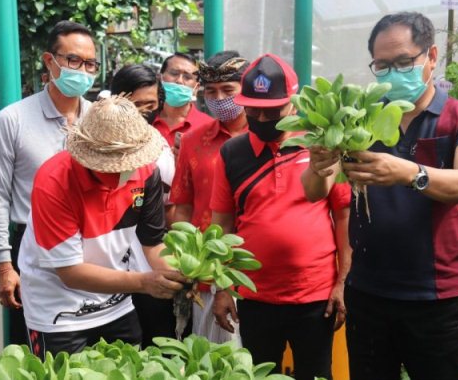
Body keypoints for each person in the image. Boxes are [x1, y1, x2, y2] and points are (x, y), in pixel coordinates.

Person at [302, 12, 458, 380]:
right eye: (382, 65)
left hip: (435, 296)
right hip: (369, 291)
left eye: (404, 62)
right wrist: (318, 164)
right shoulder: (360, 121)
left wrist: (410, 174)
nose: (393, 73)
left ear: (432, 57)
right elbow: (314, 192)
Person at [210, 53, 352, 380]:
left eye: (271, 110)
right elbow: (221, 227)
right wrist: (222, 288)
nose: (261, 117)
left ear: (293, 104)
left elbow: (344, 217)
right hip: (255, 296)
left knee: (316, 374)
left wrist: (342, 283)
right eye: (252, 109)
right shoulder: (232, 153)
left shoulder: (320, 146)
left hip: (316, 296)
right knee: (262, 374)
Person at [18, 96, 187, 357]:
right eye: (111, 164)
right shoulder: (55, 181)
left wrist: (178, 277)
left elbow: (152, 243)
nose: (123, 170)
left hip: (117, 303)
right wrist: (143, 283)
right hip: (58, 311)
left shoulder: (147, 172)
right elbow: (70, 272)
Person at [0, 20, 97, 345]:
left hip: (92, 247)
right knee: (40, 346)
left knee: (96, 344)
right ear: (50, 60)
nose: (83, 70)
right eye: (73, 60)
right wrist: (4, 266)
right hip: (34, 249)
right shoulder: (13, 120)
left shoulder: (99, 119)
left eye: (90, 63)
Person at [170, 50, 249, 343]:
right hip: (209, 271)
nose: (219, 99)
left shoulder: (267, 136)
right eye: (211, 92)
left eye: (228, 90)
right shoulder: (192, 140)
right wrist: (183, 259)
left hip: (261, 266)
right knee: (216, 360)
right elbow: (183, 206)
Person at [107, 64, 180, 346]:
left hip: (149, 264)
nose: (144, 112)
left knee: (156, 344)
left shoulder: (159, 146)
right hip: (107, 270)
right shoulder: (96, 146)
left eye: (150, 104)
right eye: (135, 105)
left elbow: (169, 207)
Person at [153, 52, 213, 151]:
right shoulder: (145, 121)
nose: (179, 81)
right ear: (160, 78)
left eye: (187, 77)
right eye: (174, 73)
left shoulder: (209, 127)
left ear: (196, 87)